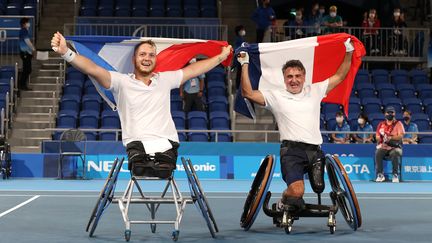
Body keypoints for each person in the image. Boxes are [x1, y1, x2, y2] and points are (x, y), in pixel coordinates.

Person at [50, 32, 232, 176]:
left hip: (166, 143)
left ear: (155, 59)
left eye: (151, 55)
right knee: (139, 170)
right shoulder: (121, 82)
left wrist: (220, 57)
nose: (147, 58)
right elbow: (92, 68)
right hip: (136, 144)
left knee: (163, 172)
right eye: (143, 54)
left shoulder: (165, 79)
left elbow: (193, 69)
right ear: (134, 59)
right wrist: (67, 52)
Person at [237, 38, 354, 208]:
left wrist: (349, 51)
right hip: (291, 152)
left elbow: (340, 75)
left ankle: (292, 198)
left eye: (298, 76)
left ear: (304, 77)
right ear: (284, 78)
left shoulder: (315, 90)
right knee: (297, 193)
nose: (294, 80)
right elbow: (247, 93)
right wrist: (245, 64)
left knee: (319, 187)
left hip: (315, 152)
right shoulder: (275, 96)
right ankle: (283, 201)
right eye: (289, 76)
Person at [375, 106, 405, 183]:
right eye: (388, 112)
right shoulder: (381, 124)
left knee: (395, 153)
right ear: (385, 114)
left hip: (395, 147)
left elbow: (400, 136)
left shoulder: (398, 124)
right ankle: (380, 175)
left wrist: (390, 138)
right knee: (378, 152)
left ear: (394, 114)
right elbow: (377, 137)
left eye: (392, 112)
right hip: (384, 147)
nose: (390, 114)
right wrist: (382, 137)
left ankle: (395, 175)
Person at [18, 17, 35, 91]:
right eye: (28, 22)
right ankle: (21, 85)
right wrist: (33, 49)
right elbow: (27, 41)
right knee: (27, 69)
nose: (29, 24)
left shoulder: (25, 31)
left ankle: (22, 84)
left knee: (27, 69)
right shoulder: (23, 31)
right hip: (24, 53)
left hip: (27, 53)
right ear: (24, 24)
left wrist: (31, 52)